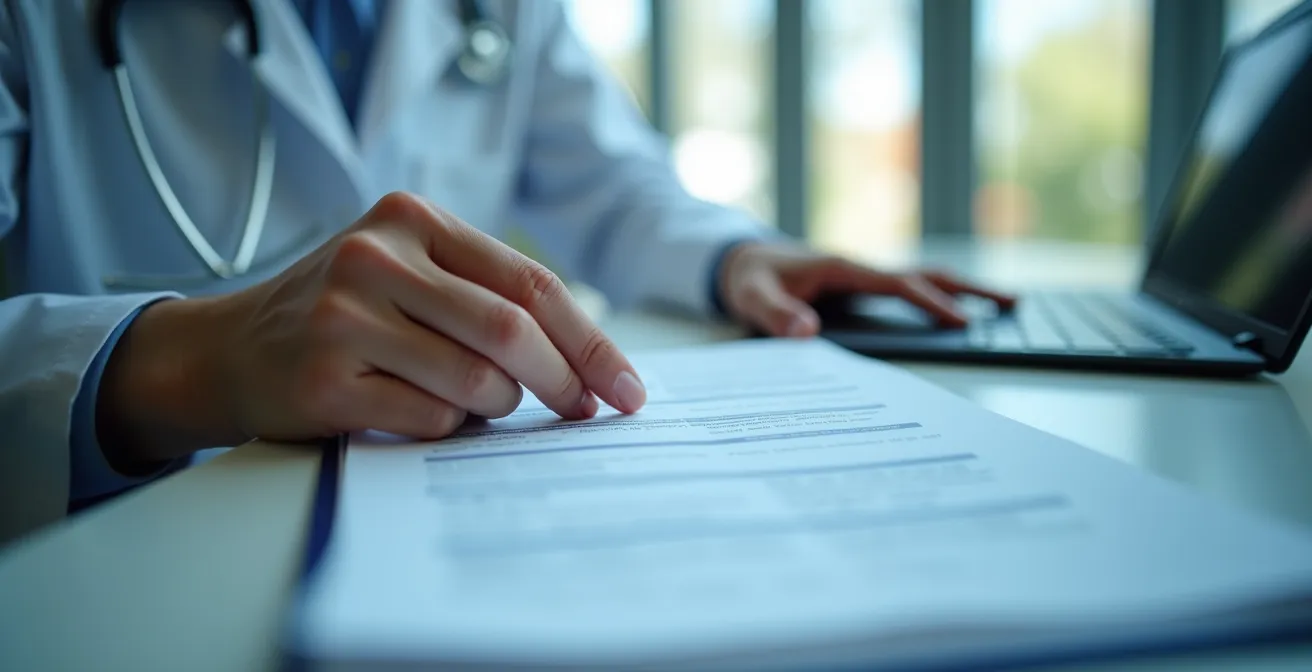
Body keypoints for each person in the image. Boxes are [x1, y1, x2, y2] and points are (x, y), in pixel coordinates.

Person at [0, 0, 1012, 544]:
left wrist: (737, 256)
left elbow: (613, 185)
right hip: (125, 549)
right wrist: (192, 365)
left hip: (426, 486)